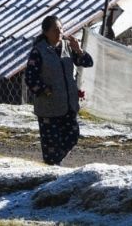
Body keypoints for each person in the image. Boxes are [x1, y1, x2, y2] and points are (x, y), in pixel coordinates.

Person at [25, 15, 93, 166]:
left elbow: (88, 63)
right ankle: (51, 172)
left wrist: (79, 50)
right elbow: (30, 78)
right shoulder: (39, 52)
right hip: (49, 108)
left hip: (69, 105)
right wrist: (45, 90)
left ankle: (54, 164)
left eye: (61, 29)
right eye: (55, 30)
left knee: (73, 136)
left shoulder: (68, 47)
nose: (60, 32)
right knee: (51, 145)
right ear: (46, 32)